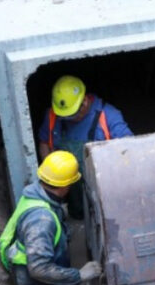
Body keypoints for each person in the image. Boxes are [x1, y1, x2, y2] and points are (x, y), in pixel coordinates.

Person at [0, 151, 102, 285]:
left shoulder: (34, 194)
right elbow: (39, 269)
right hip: (35, 284)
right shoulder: (42, 220)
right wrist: (80, 275)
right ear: (65, 186)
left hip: (28, 270)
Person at [37, 75, 133, 220]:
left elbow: (130, 148)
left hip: (103, 188)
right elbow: (44, 142)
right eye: (64, 116)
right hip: (69, 190)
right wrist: (53, 175)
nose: (68, 119)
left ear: (85, 101)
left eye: (72, 115)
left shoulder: (108, 116)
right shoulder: (52, 116)